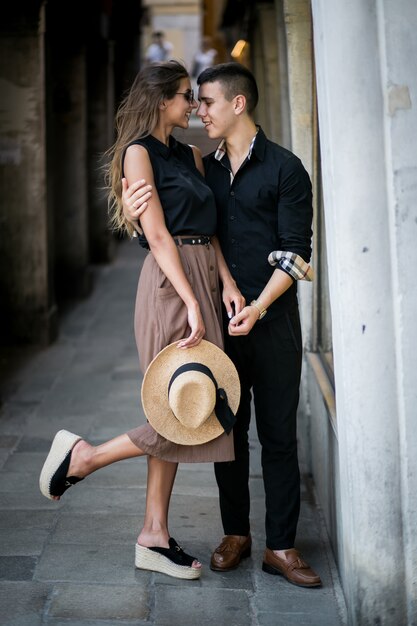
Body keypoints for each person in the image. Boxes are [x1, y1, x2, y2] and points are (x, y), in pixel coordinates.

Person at [39, 60, 244, 581]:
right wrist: (192, 300)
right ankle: (86, 457)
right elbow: (156, 236)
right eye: (184, 97)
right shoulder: (138, 154)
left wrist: (226, 283)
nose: (193, 107)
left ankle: (153, 533)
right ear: (159, 101)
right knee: (179, 406)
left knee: (182, 404)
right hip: (169, 285)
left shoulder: (193, 156)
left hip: (200, 276)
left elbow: (210, 230)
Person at [122, 62, 322, 588]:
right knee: (225, 429)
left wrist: (256, 306)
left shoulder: (286, 169)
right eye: (192, 99)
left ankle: (281, 545)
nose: (197, 110)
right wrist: (130, 209)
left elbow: (297, 255)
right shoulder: (201, 165)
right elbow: (173, 231)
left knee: (278, 436)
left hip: (271, 320)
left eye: (205, 101)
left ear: (237, 104)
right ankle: (236, 533)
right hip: (214, 316)